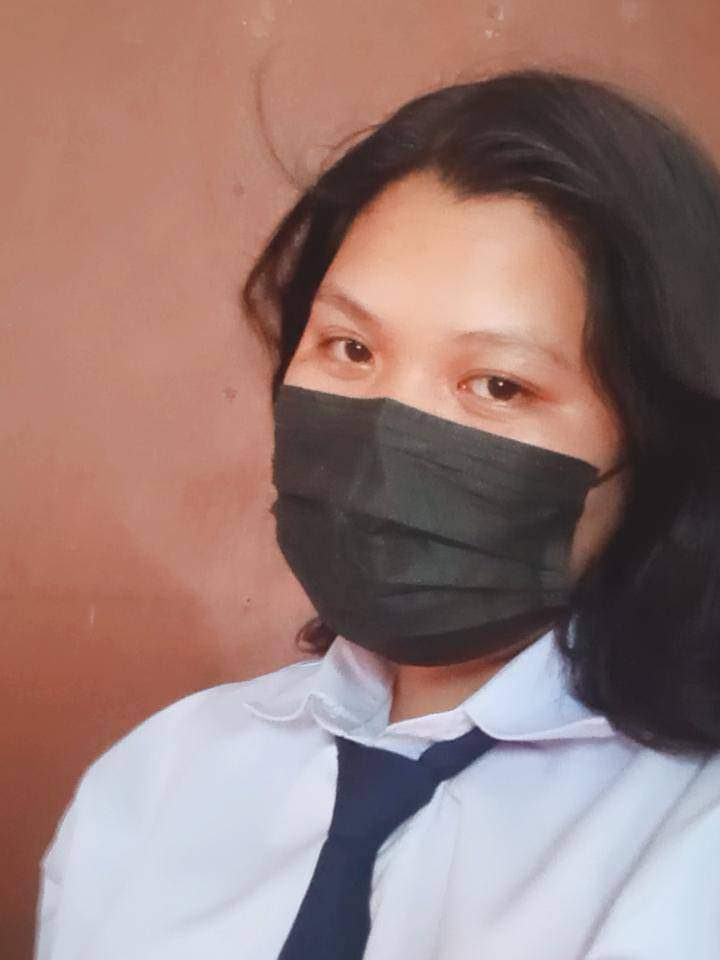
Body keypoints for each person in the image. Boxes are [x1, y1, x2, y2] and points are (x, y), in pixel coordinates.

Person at [34, 68, 720, 960]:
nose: (388, 437)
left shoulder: (692, 845)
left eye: (497, 384)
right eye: (351, 347)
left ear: (659, 439)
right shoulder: (158, 782)